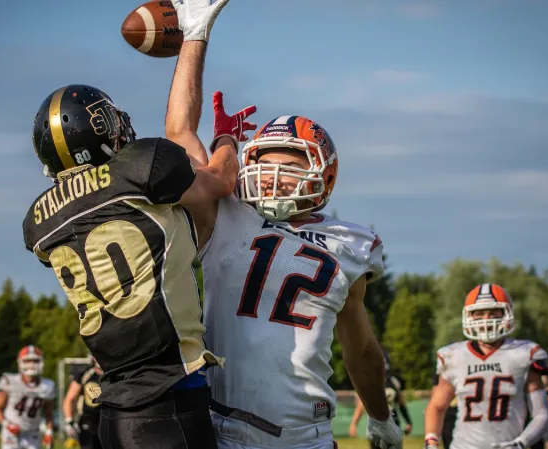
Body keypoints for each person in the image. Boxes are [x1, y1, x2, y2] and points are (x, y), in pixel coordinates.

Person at [165, 22, 403, 446]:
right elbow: (181, 136)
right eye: (265, 164)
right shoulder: (225, 211)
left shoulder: (350, 243)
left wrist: (381, 418)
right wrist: (195, 37)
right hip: (222, 429)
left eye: (289, 166)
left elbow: (361, 348)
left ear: (323, 173)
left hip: (306, 435)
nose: (273, 177)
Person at [21, 2, 244, 447]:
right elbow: (219, 179)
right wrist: (226, 138)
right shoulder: (140, 168)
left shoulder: (39, 222)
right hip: (169, 404)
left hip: (113, 413)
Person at [423, 283, 548, 449]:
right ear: (468, 316)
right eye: (480, 313)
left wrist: (521, 443)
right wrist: (431, 441)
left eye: (493, 312)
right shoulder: (454, 355)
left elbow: (542, 413)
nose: (486, 319)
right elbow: (437, 406)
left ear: (507, 314)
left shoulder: (524, 353)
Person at [0, 346, 55, 449]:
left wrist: (49, 432)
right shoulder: (10, 381)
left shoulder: (47, 385)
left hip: (33, 432)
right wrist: (7, 424)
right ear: (20, 362)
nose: (32, 364)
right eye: (28, 361)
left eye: (35, 361)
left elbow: (49, 413)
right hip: (11, 431)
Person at [63, 355, 103, 449]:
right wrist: (69, 420)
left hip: (109, 420)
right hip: (88, 420)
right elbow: (70, 398)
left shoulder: (114, 374)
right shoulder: (85, 373)